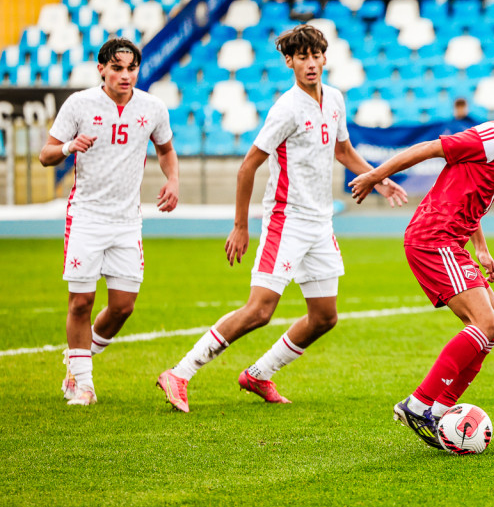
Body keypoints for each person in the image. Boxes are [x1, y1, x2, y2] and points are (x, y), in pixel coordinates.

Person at [156, 25, 407, 413]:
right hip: (286, 219)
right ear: (289, 62)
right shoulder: (287, 108)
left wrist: (379, 180)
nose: (310, 63)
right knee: (260, 309)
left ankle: (258, 373)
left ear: (325, 57)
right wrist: (241, 226)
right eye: (301, 56)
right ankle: (180, 373)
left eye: (315, 55)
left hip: (320, 223)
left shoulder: (335, 99)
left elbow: (344, 151)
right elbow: (247, 167)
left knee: (324, 317)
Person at [348, 84, 494, 450]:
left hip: (452, 242)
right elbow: (428, 149)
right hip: (433, 239)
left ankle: (440, 412)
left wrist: (481, 248)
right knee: (484, 323)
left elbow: (474, 196)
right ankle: (419, 405)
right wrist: (374, 176)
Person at [39, 37, 179, 406]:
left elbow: (165, 149)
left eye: (131, 68)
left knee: (123, 307)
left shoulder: (152, 107)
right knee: (81, 301)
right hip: (86, 215)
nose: (125, 75)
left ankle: (75, 358)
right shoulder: (80, 104)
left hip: (127, 220)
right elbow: (45, 155)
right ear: (101, 69)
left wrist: (173, 180)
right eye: (117, 68)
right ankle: (83, 384)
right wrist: (69, 147)